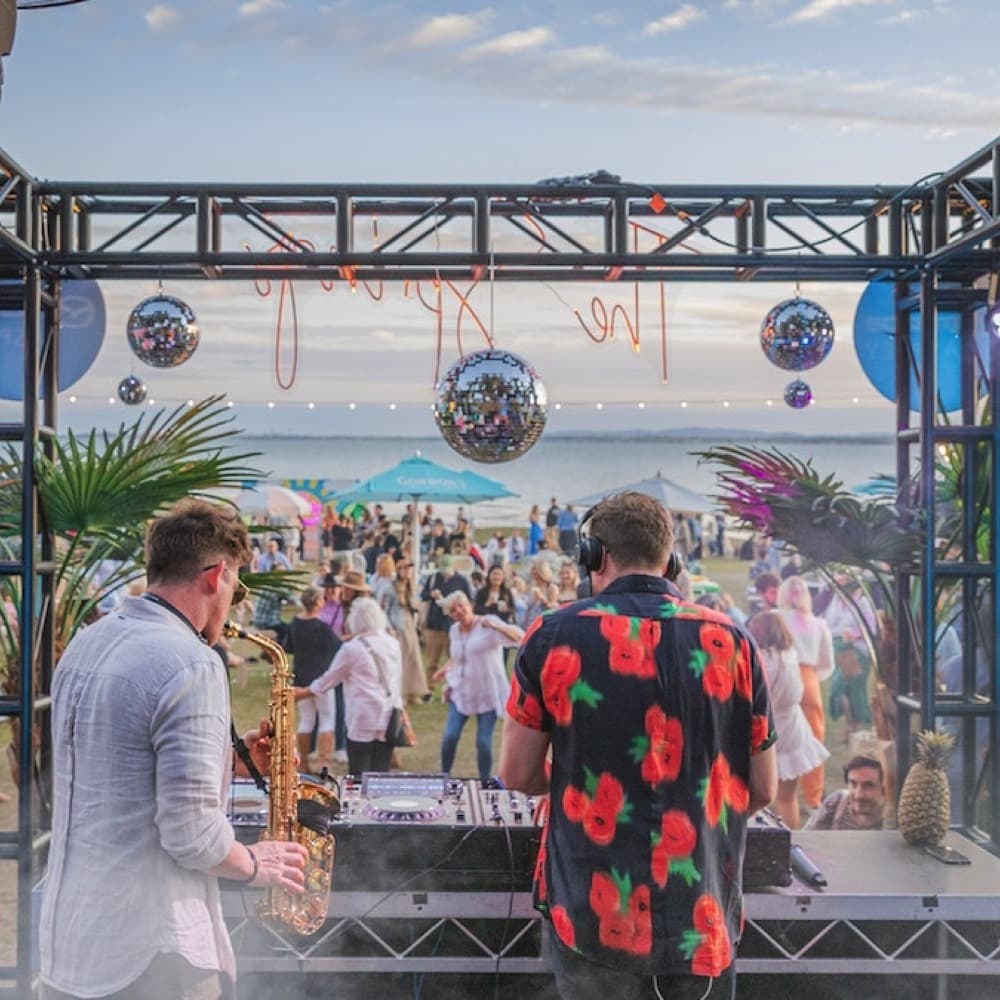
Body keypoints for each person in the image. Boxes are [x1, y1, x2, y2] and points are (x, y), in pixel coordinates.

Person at [499, 491, 776, 1000]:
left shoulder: (551, 636)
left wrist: (578, 783)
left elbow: (517, 774)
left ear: (593, 556)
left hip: (591, 917)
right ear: (671, 561)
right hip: (702, 919)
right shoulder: (734, 643)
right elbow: (762, 787)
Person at [40, 499, 308, 1000]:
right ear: (216, 574)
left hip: (72, 943)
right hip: (154, 956)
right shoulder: (191, 663)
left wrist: (226, 760)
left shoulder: (87, 643)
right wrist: (257, 863)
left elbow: (115, 765)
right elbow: (191, 837)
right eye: (238, 586)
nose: (235, 603)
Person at [298, 597, 403, 775]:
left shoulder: (352, 649)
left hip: (363, 717)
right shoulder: (392, 643)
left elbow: (328, 680)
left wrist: (304, 692)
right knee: (381, 772)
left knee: (359, 773)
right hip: (389, 715)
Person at [747, 612, 829, 830]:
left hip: (769, 728)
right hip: (793, 727)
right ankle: (790, 840)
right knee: (788, 798)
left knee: (755, 794)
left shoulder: (761, 660)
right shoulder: (790, 655)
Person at [435, 591, 524, 781]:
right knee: (449, 737)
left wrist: (496, 626)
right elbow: (458, 657)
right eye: (453, 610)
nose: (459, 611)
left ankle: (485, 781)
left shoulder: (487, 623)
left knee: (483, 742)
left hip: (487, 693)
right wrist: (445, 669)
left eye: (461, 606)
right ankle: (444, 776)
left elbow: (519, 638)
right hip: (461, 691)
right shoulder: (454, 630)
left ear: (470, 604)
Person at [778, 575, 835, 813]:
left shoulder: (777, 618)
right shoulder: (818, 624)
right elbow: (827, 661)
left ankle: (779, 789)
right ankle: (813, 798)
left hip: (783, 676)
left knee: (780, 736)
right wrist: (813, 676)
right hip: (809, 677)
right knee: (813, 740)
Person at [285, 584, 341, 772]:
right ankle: (324, 762)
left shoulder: (295, 623)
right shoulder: (323, 628)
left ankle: (304, 762)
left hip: (301, 675)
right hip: (322, 678)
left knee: (306, 719)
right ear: (318, 603)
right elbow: (337, 648)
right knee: (327, 719)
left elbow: (289, 646)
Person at [420, 554, 472, 687]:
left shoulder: (461, 580)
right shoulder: (433, 579)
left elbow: (470, 600)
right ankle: (430, 688)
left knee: (455, 659)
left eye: (447, 571)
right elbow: (423, 595)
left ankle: (454, 686)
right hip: (434, 624)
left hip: (454, 625)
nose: (445, 574)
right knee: (432, 661)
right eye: (442, 571)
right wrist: (431, 595)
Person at [805, 751, 888, 831]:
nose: (858, 795)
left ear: (885, 788)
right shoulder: (836, 803)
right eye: (853, 784)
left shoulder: (894, 817)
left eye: (868, 786)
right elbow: (807, 838)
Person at [393, 558, 431, 704]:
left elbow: (415, 603)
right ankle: (401, 692)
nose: (408, 571)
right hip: (399, 624)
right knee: (402, 657)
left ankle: (414, 692)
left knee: (413, 657)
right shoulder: (394, 587)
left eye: (409, 568)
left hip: (409, 623)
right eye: (404, 568)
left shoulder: (410, 586)